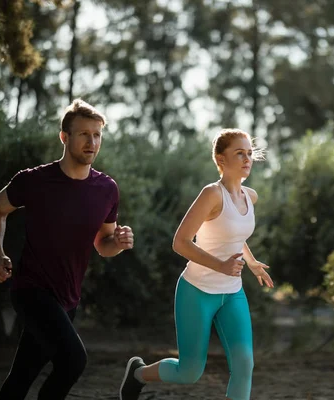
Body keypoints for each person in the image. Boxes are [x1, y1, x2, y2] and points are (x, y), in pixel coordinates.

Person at [0, 99, 134, 400]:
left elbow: (103, 245)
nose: (92, 142)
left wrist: (117, 243)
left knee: (22, 376)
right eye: (83, 134)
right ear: (64, 137)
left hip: (68, 297)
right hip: (30, 290)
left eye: (97, 135)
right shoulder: (34, 180)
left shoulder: (107, 189)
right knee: (73, 360)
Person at [119, 128, 274, 400]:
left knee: (244, 365)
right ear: (221, 159)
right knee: (190, 372)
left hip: (232, 293)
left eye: (249, 153)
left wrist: (250, 262)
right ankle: (138, 374)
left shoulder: (250, 196)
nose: (247, 159)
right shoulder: (211, 194)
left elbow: (235, 235)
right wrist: (221, 266)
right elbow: (180, 242)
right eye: (240, 153)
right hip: (197, 291)